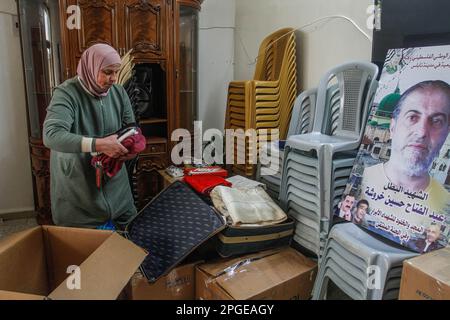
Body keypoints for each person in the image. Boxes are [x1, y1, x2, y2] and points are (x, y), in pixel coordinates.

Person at [43, 44, 138, 229]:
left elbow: (132, 131)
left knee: (133, 237)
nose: (113, 78)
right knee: (84, 252)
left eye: (116, 72)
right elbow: (51, 135)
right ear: (90, 67)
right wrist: (99, 145)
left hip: (117, 188)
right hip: (79, 190)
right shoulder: (66, 93)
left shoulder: (119, 93)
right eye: (107, 72)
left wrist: (131, 151)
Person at [361, 80, 450, 215]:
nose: (421, 133)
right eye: (412, 117)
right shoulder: (363, 178)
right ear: (392, 127)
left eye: (436, 121)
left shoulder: (444, 205)